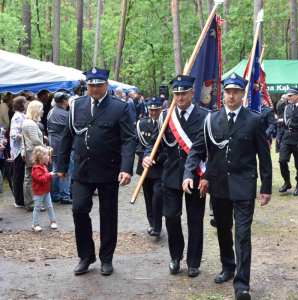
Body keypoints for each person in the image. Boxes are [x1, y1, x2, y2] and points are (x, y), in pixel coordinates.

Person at [183, 72, 272, 300]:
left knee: (242, 234)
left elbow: (264, 155)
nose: (231, 96)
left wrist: (266, 187)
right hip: (219, 185)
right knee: (223, 229)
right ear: (223, 94)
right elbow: (198, 150)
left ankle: (242, 285)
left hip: (244, 185)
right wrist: (190, 173)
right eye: (228, 92)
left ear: (243, 95)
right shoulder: (211, 119)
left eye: (235, 92)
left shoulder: (254, 119)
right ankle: (228, 266)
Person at [57, 67, 135, 276]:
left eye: (99, 84)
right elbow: (67, 136)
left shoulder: (119, 107)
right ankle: (86, 255)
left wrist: (126, 169)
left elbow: (128, 139)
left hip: (109, 170)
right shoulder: (77, 105)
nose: (94, 88)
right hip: (82, 169)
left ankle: (106, 258)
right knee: (78, 210)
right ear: (86, 86)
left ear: (106, 85)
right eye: (91, 85)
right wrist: (62, 166)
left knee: (108, 215)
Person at [143, 75, 208, 278]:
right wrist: (147, 156)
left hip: (196, 175)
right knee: (171, 217)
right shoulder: (165, 116)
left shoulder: (205, 116)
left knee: (195, 220)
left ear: (192, 93)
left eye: (183, 93)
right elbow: (153, 143)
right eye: (176, 94)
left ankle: (194, 262)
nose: (179, 97)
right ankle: (175, 257)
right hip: (170, 175)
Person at [136, 96, 166, 236]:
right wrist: (145, 157)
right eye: (151, 109)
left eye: (157, 109)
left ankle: (157, 225)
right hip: (145, 166)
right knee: (148, 197)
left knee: (158, 196)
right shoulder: (141, 124)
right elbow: (136, 143)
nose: (154, 112)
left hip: (160, 165)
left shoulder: (166, 123)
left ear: (162, 108)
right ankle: (152, 222)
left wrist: (158, 157)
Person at [47, 92, 73, 204]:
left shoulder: (51, 111)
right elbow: (71, 131)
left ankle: (56, 195)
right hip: (62, 145)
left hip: (52, 143)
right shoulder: (65, 114)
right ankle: (65, 196)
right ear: (65, 101)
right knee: (66, 170)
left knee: (56, 170)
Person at [21, 100, 47, 211]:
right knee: (30, 179)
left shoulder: (30, 122)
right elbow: (35, 140)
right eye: (41, 109)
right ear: (36, 110)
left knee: (29, 178)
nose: (43, 111)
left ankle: (31, 202)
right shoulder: (31, 123)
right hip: (33, 154)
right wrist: (45, 148)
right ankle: (31, 204)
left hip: (30, 153)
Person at [277, 87, 298, 196]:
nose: (288, 97)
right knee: (282, 161)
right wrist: (279, 137)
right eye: (288, 96)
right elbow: (283, 124)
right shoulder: (287, 107)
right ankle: (287, 182)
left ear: (297, 96)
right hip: (286, 137)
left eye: (291, 96)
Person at [31, 146, 57, 231]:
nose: (49, 157)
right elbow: (41, 179)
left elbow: (46, 178)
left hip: (46, 191)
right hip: (39, 192)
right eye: (47, 155)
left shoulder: (44, 167)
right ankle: (35, 223)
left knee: (49, 206)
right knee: (37, 207)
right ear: (42, 157)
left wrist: (50, 176)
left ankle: (53, 221)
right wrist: (49, 175)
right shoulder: (36, 168)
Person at [10, 96, 28, 207]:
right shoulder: (18, 117)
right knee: (19, 175)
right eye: (25, 102)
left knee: (20, 174)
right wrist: (26, 137)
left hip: (19, 150)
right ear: (21, 104)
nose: (27, 104)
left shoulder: (20, 116)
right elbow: (14, 134)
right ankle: (19, 200)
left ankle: (20, 199)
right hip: (18, 150)